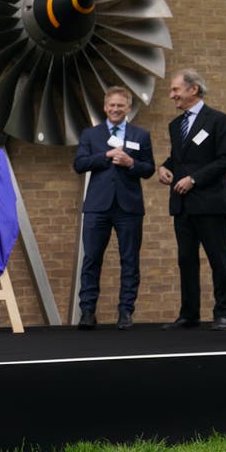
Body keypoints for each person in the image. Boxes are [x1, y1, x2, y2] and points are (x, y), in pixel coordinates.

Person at [157, 69, 226, 331]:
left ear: (193, 89)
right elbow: (181, 158)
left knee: (218, 259)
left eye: (175, 90)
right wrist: (165, 167)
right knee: (186, 260)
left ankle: (223, 313)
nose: (172, 96)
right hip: (182, 206)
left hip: (211, 204)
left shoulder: (217, 120)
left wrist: (194, 179)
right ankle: (189, 314)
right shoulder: (175, 125)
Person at [73, 86, 154, 331]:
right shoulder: (91, 135)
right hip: (98, 207)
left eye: (121, 105)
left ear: (128, 108)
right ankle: (87, 312)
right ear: (105, 107)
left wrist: (131, 163)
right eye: (112, 105)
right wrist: (105, 156)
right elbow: (79, 164)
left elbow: (149, 168)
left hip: (129, 207)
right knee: (91, 259)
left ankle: (126, 311)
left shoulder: (141, 135)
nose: (116, 109)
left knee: (130, 260)